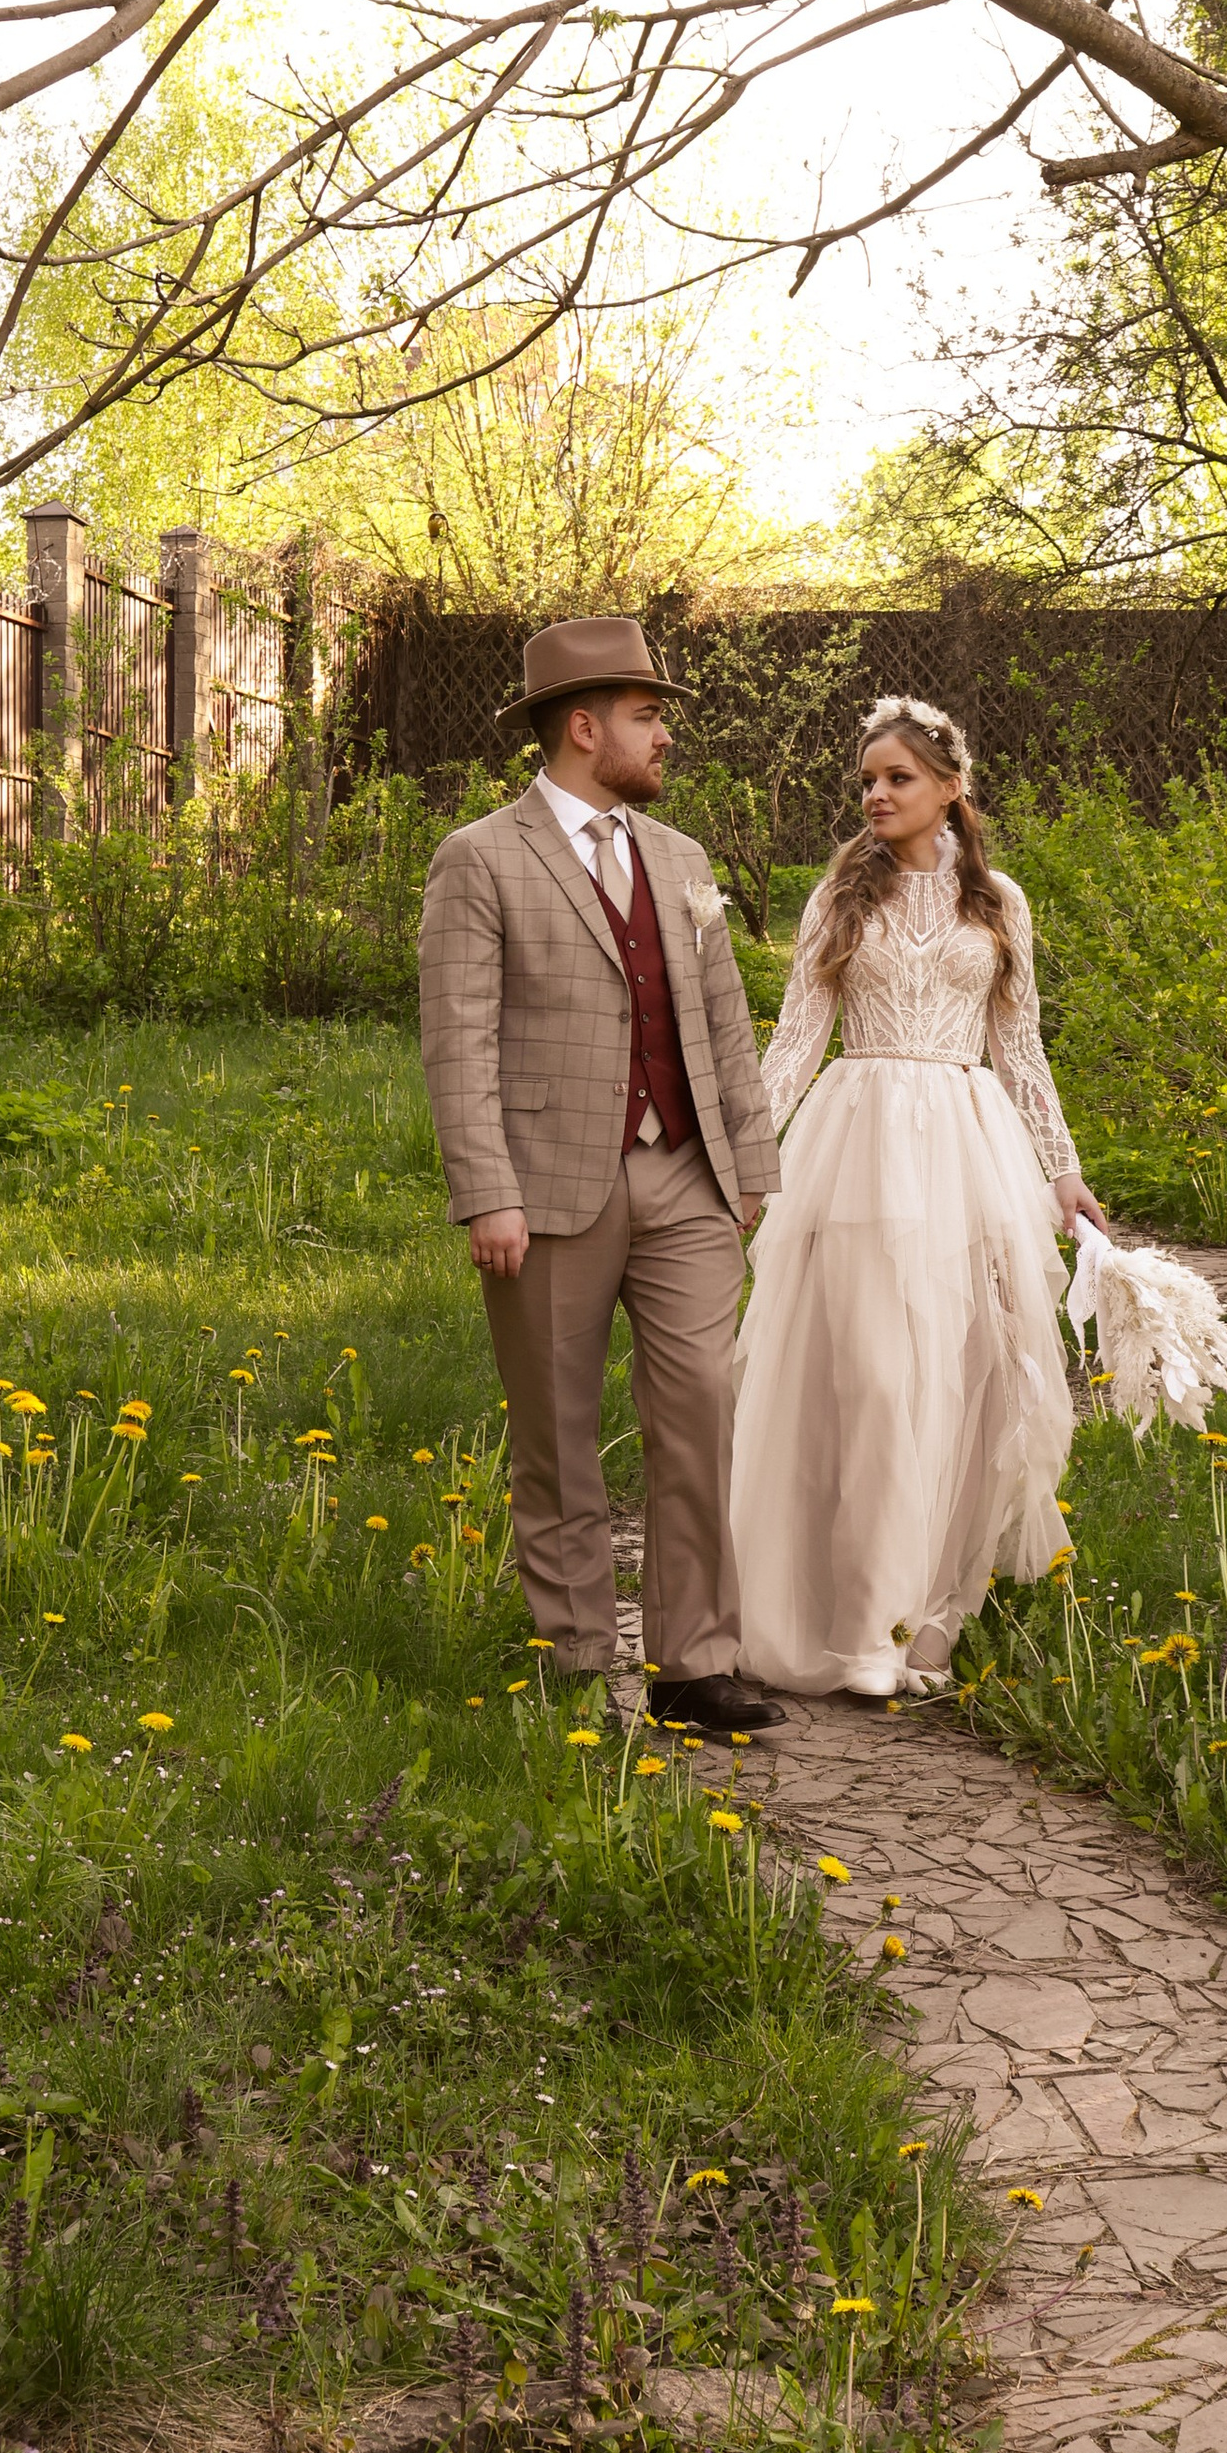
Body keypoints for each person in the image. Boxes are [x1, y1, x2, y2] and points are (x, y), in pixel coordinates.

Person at [418, 616, 785, 1735]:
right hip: (546, 1185)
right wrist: (487, 1191)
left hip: (687, 1176)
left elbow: (723, 1024)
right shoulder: (479, 858)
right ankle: (576, 1660)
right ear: (585, 728)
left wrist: (752, 1166)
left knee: (700, 1413)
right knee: (557, 1430)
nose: (664, 734)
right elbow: (457, 1037)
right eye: (647, 715)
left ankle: (692, 1666)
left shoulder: (680, 862)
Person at [731, 694, 1106, 1700]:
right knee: (873, 1381)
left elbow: (1019, 1048)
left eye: (898, 778)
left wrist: (1059, 1168)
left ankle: (925, 1624)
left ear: (950, 788)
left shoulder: (999, 903)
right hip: (857, 1142)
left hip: (965, 1150)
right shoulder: (837, 899)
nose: (877, 795)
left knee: (962, 1382)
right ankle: (853, 1628)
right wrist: (747, 1159)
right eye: (866, 781)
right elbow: (795, 1041)